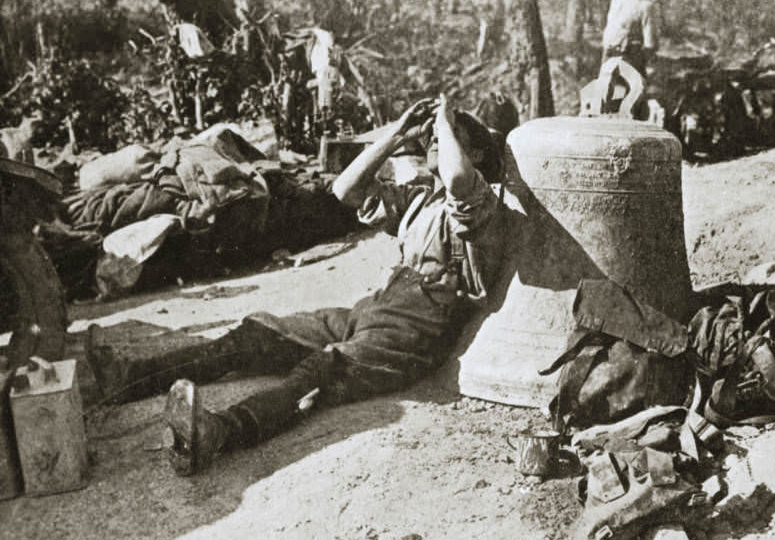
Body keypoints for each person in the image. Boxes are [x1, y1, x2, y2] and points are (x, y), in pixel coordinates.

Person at [86, 94, 508, 475]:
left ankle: (218, 433)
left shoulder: (479, 203)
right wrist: (397, 133)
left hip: (417, 330)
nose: (437, 138)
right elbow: (345, 190)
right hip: (379, 307)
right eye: (435, 134)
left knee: (322, 369)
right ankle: (131, 378)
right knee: (259, 334)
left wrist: (449, 117)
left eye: (449, 135)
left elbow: (457, 179)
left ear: (475, 152)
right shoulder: (421, 197)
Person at [596, 0, 659, 117]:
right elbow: (609, 34)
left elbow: (650, 43)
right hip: (609, 58)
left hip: (631, 58)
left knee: (632, 98)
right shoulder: (615, 1)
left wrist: (648, 64)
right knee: (606, 99)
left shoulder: (645, 6)